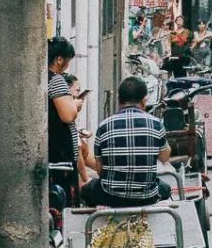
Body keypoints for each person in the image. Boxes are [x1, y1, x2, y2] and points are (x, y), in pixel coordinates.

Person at [81, 76, 171, 206]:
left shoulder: (104, 126)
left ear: (118, 100)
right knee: (166, 189)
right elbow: (164, 158)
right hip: (147, 197)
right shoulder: (156, 124)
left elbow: (100, 170)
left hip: (109, 197)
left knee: (85, 190)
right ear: (144, 100)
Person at [47, 38, 80, 179]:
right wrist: (75, 105)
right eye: (68, 59)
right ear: (59, 59)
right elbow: (67, 115)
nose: (68, 64)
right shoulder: (56, 79)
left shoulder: (42, 77)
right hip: (60, 151)